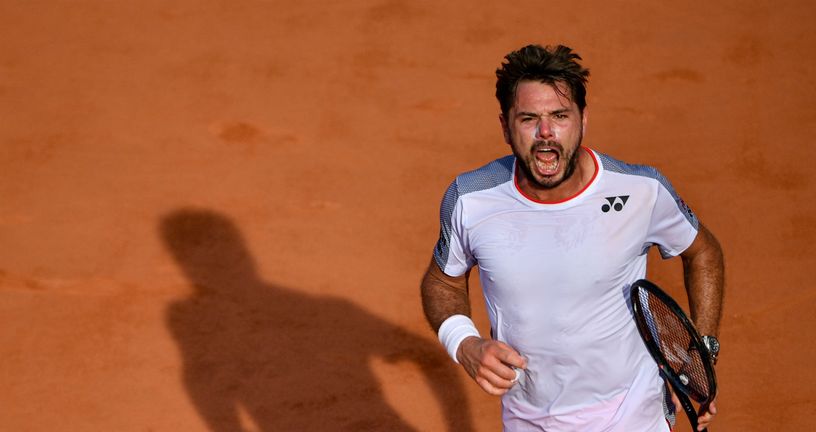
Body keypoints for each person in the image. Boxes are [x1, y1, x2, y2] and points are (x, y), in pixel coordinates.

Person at [420, 44, 724, 431]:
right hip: (530, 419)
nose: (546, 133)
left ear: (583, 119)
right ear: (505, 125)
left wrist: (702, 354)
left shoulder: (640, 192)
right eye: (529, 118)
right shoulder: (471, 199)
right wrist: (464, 343)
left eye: (560, 116)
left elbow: (703, 253)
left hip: (635, 414)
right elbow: (442, 280)